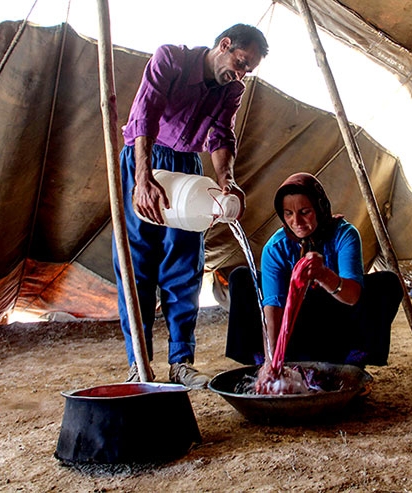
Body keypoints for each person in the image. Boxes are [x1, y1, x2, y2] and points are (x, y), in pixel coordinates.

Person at [114, 24, 269, 388]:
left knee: (185, 263)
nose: (242, 73)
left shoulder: (232, 89)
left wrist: (226, 181)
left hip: (185, 166)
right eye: (241, 62)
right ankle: (140, 363)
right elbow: (144, 116)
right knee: (136, 262)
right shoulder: (171, 59)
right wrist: (142, 178)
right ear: (225, 44)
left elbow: (221, 135)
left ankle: (181, 361)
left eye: (249, 69)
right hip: (144, 156)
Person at [225, 172, 403, 369]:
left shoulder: (344, 235)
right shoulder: (276, 248)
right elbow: (273, 307)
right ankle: (262, 362)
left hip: (336, 330)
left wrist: (323, 275)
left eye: (305, 212)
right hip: (294, 331)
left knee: (387, 283)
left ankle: (352, 364)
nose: (297, 222)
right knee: (241, 279)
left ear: (320, 208)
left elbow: (353, 296)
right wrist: (272, 363)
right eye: (288, 214)